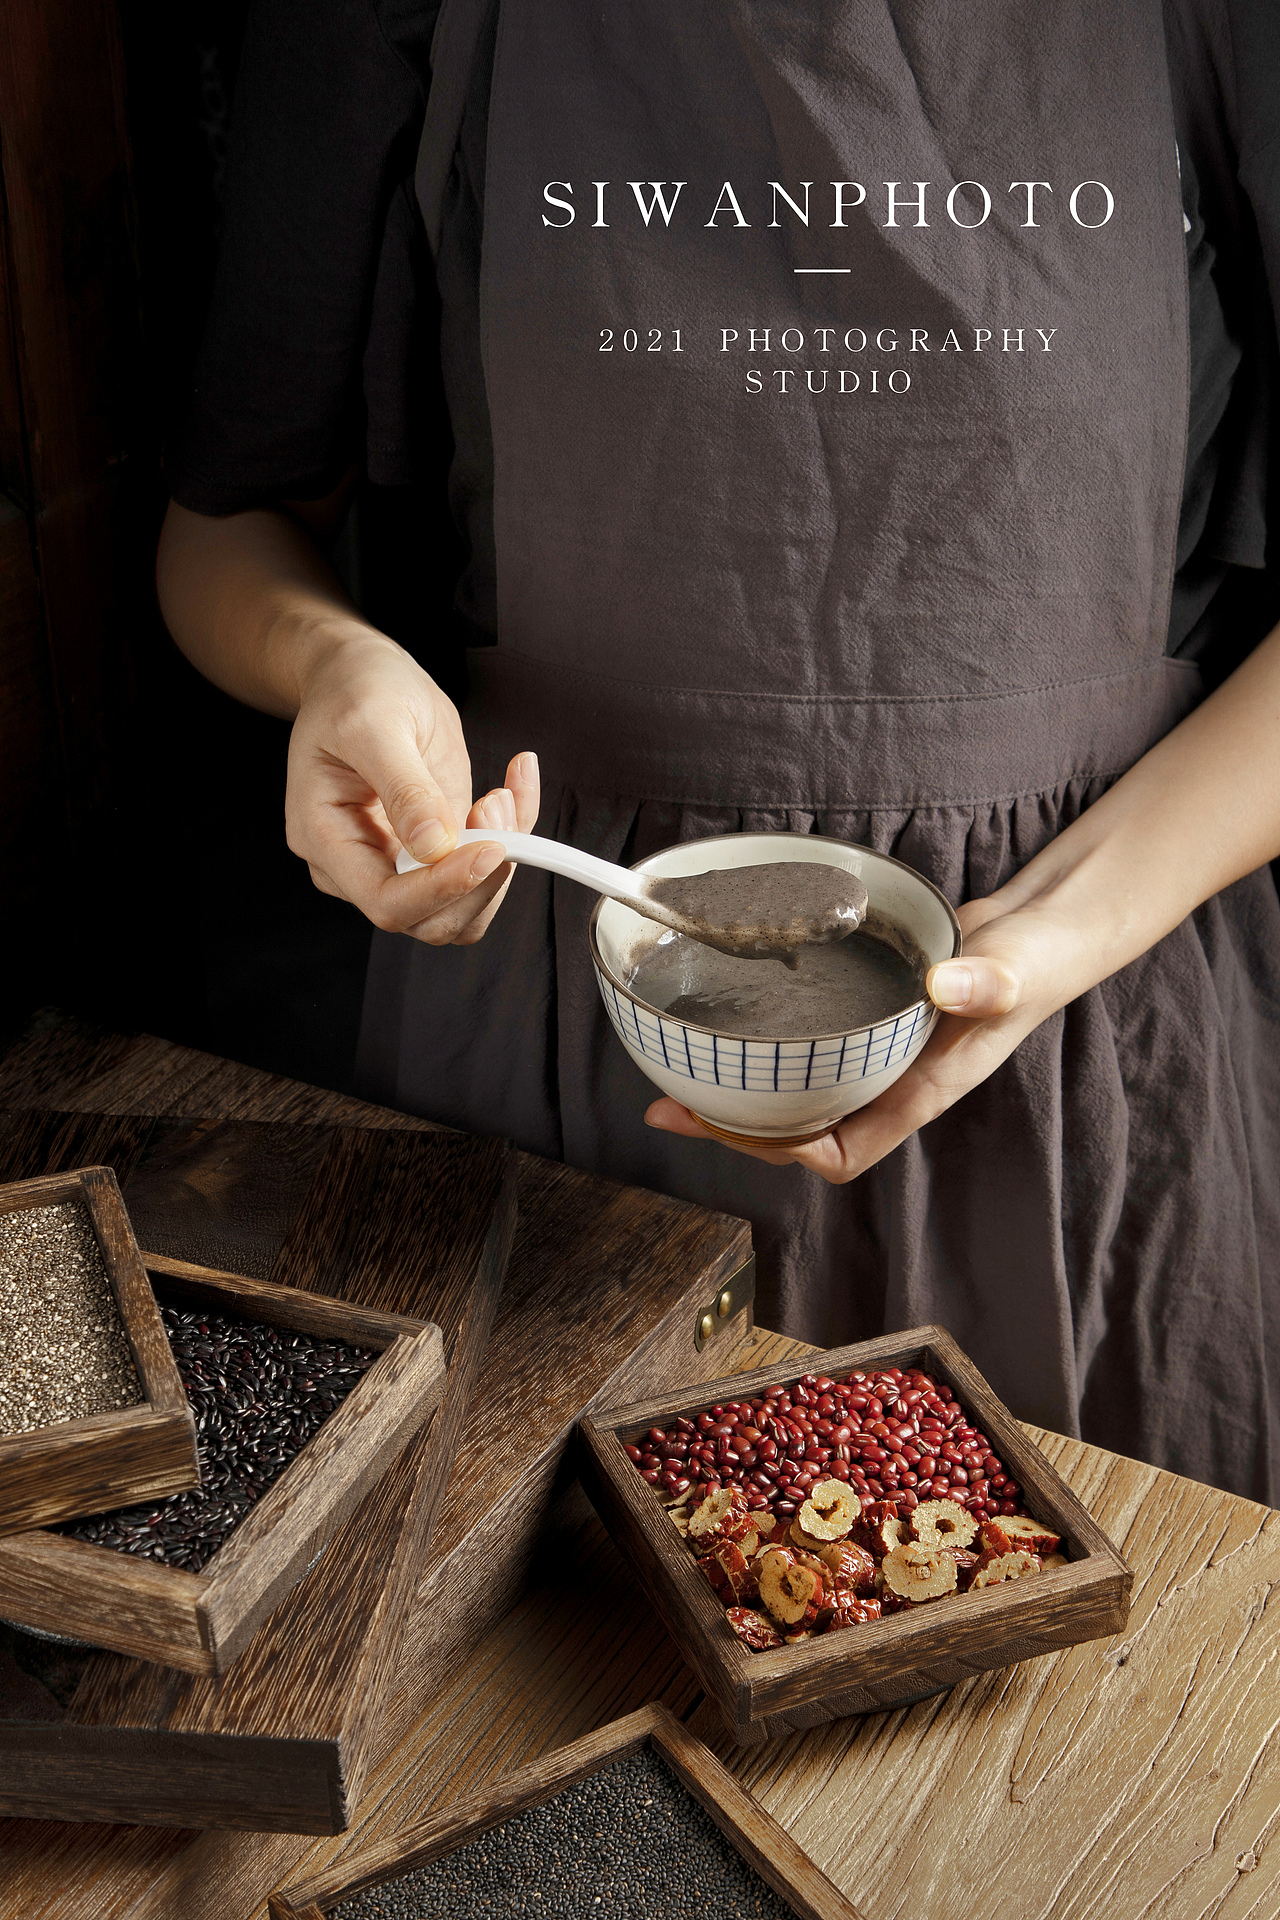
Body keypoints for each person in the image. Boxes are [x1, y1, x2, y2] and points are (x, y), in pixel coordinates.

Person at [158, 0, 1280, 1503]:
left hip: (1096, 1062)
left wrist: (1045, 942)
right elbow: (228, 521)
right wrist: (334, 663)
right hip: (556, 1031)